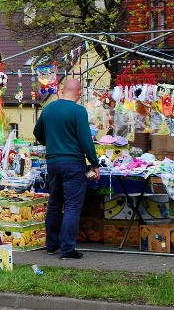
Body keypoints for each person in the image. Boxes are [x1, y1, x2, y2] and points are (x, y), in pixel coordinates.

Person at [33, 77, 100, 260]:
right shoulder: (79, 111)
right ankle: (67, 249)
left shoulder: (49, 109)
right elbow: (86, 140)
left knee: (54, 203)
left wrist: (51, 144)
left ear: (62, 90)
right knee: (71, 205)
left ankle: (51, 245)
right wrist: (95, 163)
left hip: (53, 163)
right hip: (73, 164)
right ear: (79, 93)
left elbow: (37, 132)